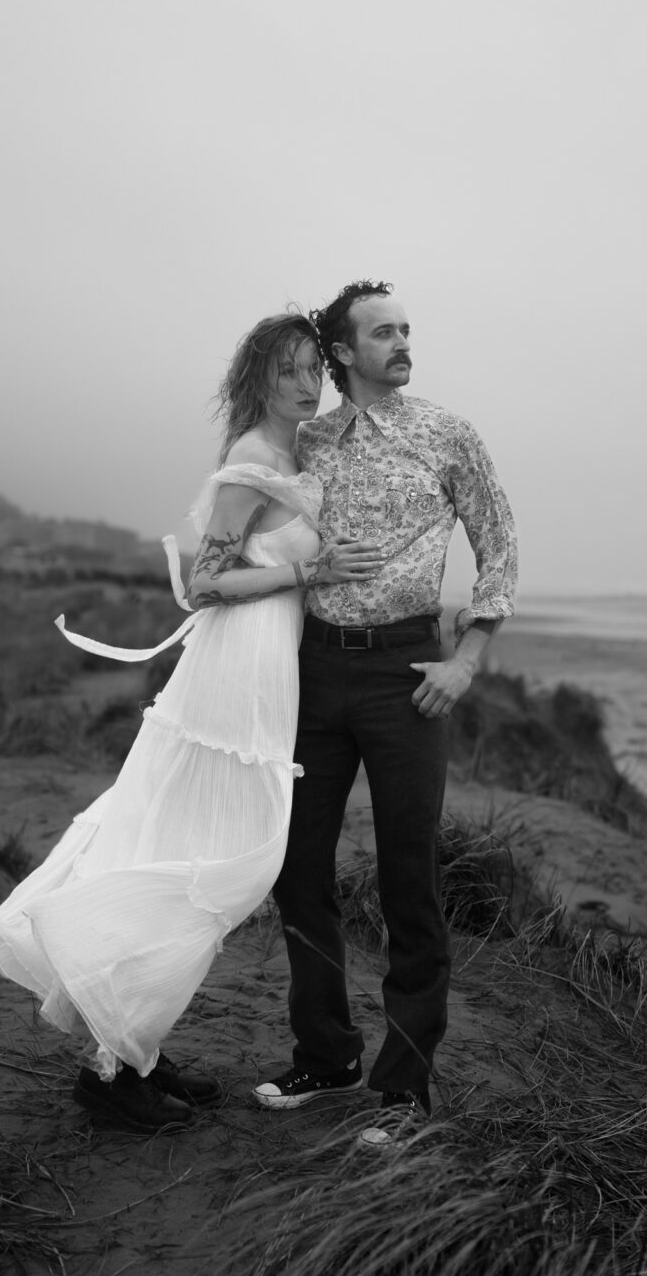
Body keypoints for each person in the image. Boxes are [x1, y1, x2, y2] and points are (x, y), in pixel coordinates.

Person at [0, 312, 381, 1133]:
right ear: (257, 380)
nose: (307, 385)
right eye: (289, 372)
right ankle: (113, 1066)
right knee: (208, 855)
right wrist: (308, 568)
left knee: (205, 851)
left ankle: (133, 1052)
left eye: (315, 371)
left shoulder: (294, 458)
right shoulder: (249, 464)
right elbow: (205, 583)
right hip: (234, 678)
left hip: (270, 673)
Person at [252, 281, 518, 1146]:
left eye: (406, 329)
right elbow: (261, 540)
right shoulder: (308, 440)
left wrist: (467, 660)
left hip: (410, 676)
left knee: (410, 880)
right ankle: (325, 1056)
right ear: (341, 353)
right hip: (315, 671)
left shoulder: (447, 434)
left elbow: (499, 546)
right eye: (382, 333)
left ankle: (403, 1092)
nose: (402, 343)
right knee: (296, 870)